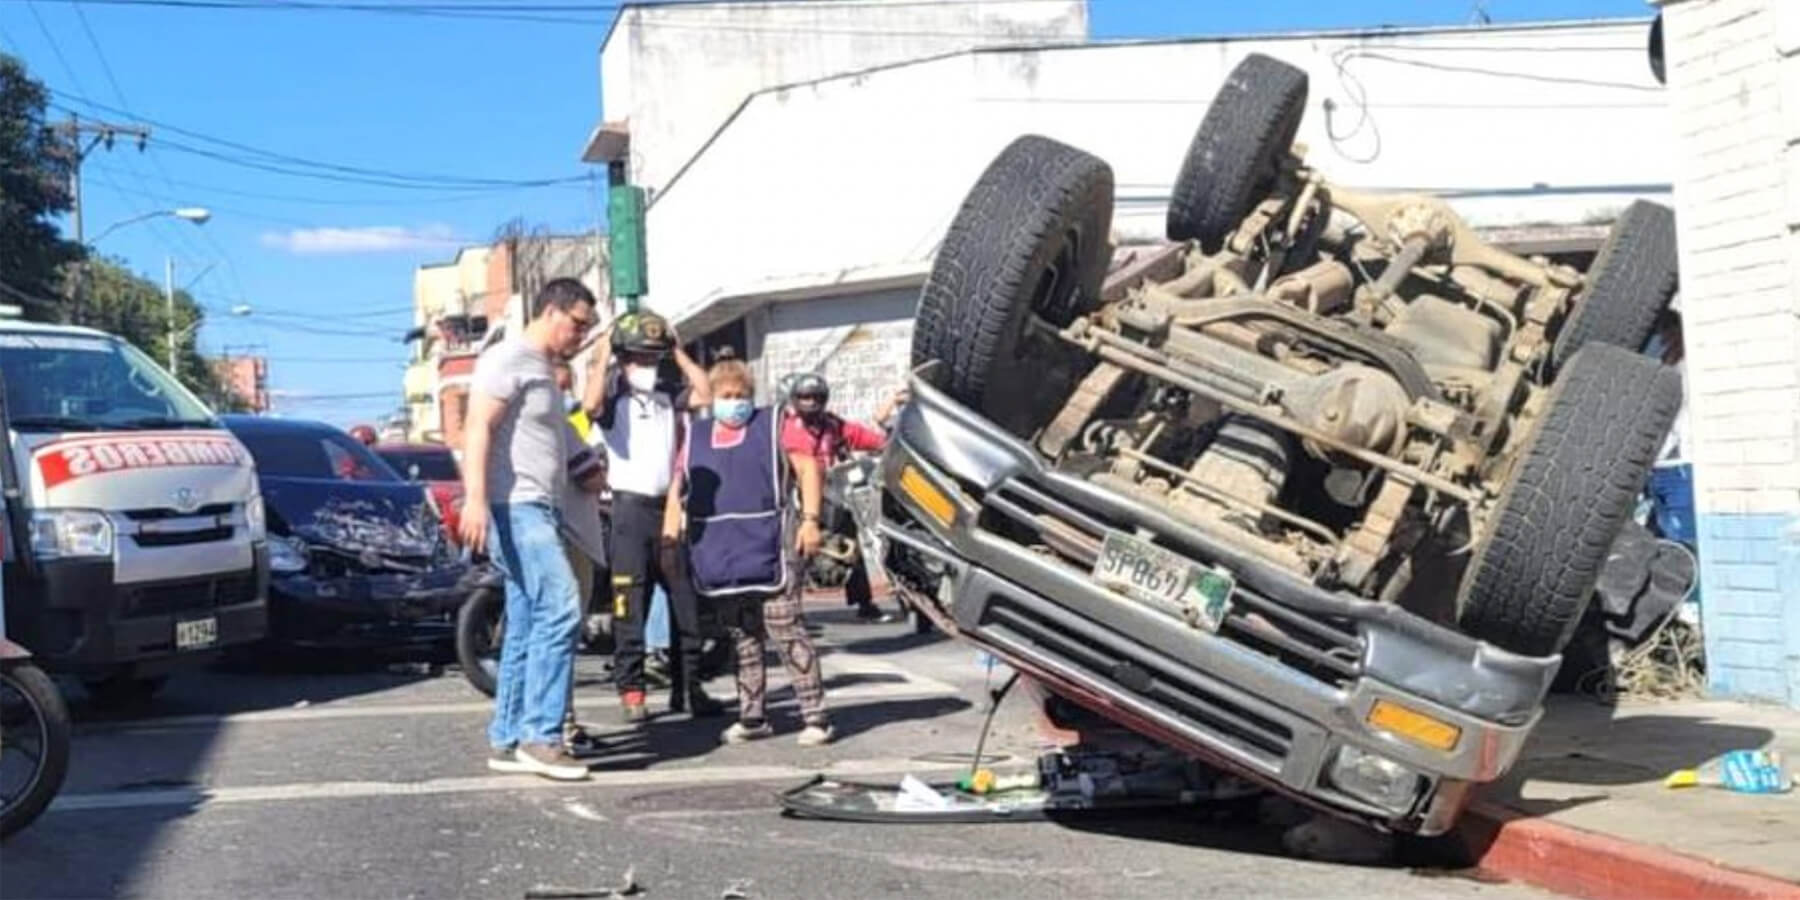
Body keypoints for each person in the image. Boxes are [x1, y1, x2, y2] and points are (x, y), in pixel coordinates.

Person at [459, 277, 598, 782]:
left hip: (539, 506)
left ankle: (508, 737)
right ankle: (542, 737)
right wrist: (475, 499)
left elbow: (555, 438)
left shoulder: (542, 369)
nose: (581, 335)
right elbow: (478, 427)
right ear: (551, 311)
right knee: (561, 607)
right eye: (578, 323)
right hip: (516, 507)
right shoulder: (508, 358)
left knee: (524, 622)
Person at [666, 358, 833, 745]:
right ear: (713, 399)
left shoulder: (774, 425)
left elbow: (809, 468)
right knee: (742, 634)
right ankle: (752, 715)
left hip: (772, 540)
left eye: (741, 396)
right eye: (726, 396)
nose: (735, 403)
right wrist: (668, 539)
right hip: (724, 552)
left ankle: (815, 716)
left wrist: (811, 520)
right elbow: (679, 488)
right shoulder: (697, 435)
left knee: (785, 626)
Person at [582, 310, 722, 723]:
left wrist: (677, 352)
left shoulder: (667, 391)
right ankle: (632, 692)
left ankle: (689, 689)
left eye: (652, 357)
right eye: (639, 357)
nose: (646, 365)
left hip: (668, 508)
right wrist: (604, 352)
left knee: (685, 606)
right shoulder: (611, 393)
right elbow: (589, 404)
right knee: (630, 606)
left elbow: (706, 394)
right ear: (625, 357)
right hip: (628, 510)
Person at [781, 373, 904, 622]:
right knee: (797, 554)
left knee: (854, 547)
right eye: (804, 397)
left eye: (816, 397)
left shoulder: (833, 425)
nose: (810, 402)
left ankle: (865, 604)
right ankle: (791, 607)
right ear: (794, 399)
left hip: (835, 495)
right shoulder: (785, 430)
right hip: (799, 500)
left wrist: (888, 445)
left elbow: (866, 438)